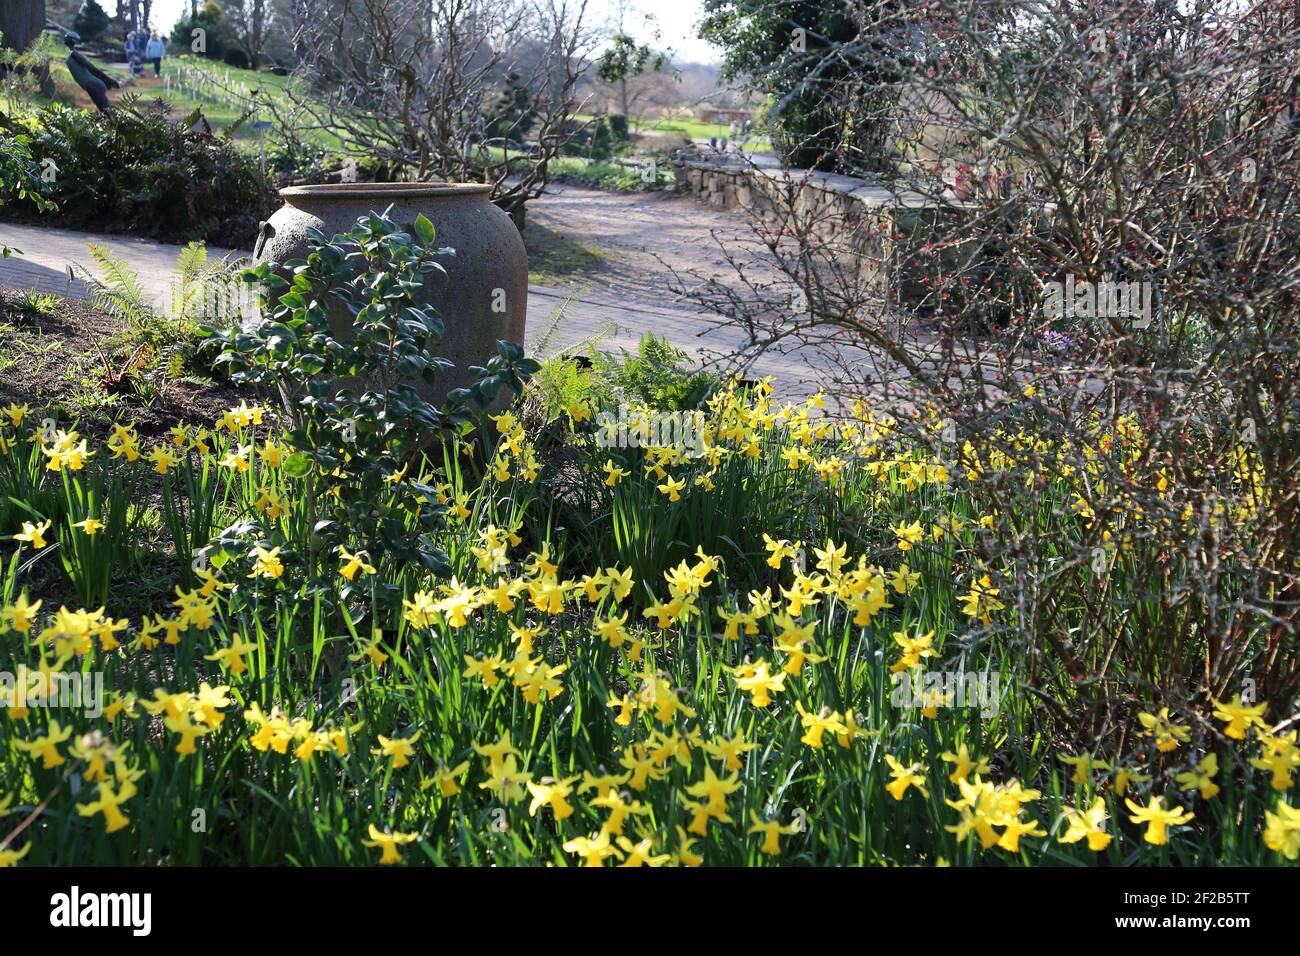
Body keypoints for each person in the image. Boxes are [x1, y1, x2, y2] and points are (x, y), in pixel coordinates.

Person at [64, 31, 119, 113]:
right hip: (90, 86)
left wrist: (108, 79)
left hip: (93, 85)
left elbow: (91, 67)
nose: (65, 40)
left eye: (66, 38)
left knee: (107, 111)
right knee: (104, 111)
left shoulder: (75, 55)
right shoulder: (72, 54)